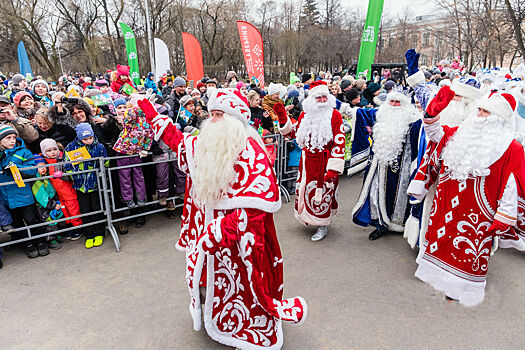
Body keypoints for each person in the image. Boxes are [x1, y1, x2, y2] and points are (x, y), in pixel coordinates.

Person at [137, 89, 307, 349]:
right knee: (207, 281)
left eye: (220, 115)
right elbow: (177, 141)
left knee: (244, 287)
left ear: (235, 120)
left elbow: (255, 208)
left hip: (238, 242)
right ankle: (214, 319)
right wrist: (149, 110)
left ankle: (245, 332)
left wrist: (220, 232)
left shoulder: (251, 150)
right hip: (208, 234)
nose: (213, 120)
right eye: (212, 114)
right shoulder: (208, 144)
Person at [408, 87, 525, 306]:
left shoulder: (511, 147)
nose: (478, 115)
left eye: (485, 112)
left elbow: (513, 184)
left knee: (467, 254)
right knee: (441, 244)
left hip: (478, 211)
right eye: (479, 109)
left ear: (498, 118)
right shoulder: (459, 132)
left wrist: (505, 216)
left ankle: (463, 290)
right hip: (446, 206)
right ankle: (438, 282)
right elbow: (435, 136)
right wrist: (432, 114)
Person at [274, 81, 345, 241]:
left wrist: (333, 169)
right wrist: (283, 119)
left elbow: (339, 142)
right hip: (306, 162)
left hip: (324, 162)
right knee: (305, 191)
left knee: (322, 193)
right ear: (311, 99)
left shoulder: (335, 116)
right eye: (317, 98)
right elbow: (294, 135)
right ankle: (308, 217)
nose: (321, 101)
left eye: (323, 97)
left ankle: (322, 225)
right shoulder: (305, 115)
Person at [351, 90, 422, 240]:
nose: (395, 105)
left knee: (397, 196)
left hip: (401, 169)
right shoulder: (379, 114)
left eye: (398, 102)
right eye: (392, 102)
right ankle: (380, 224)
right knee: (376, 194)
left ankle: (399, 224)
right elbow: (359, 114)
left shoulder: (413, 121)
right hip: (379, 166)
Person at [0, 125, 47, 258]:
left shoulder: (24, 152)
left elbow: (32, 170)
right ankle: (27, 244)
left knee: (31, 219)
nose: (12, 141)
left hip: (23, 194)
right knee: (17, 223)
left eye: (14, 137)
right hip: (6, 197)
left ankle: (40, 241)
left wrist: (16, 168)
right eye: (8, 138)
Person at [64, 123, 108, 249]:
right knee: (85, 211)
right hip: (80, 186)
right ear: (79, 138)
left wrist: (101, 172)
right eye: (85, 139)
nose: (89, 141)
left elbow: (105, 161)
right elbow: (66, 164)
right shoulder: (71, 147)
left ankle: (100, 233)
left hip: (95, 184)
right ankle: (89, 234)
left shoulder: (99, 146)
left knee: (97, 208)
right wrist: (75, 176)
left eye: (90, 138)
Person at [40, 138, 83, 240]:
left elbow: (71, 174)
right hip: (57, 194)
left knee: (74, 210)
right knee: (64, 212)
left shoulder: (63, 158)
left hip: (69, 192)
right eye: (49, 151)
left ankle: (78, 228)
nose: (53, 152)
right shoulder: (44, 162)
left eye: (54, 149)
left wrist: (63, 175)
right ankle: (70, 227)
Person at [112, 106, 154, 209]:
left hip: (136, 152)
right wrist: (143, 105)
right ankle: (128, 198)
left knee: (138, 175)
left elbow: (150, 135)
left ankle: (140, 197)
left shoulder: (148, 121)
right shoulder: (131, 118)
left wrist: (145, 149)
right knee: (124, 176)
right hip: (123, 150)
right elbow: (129, 114)